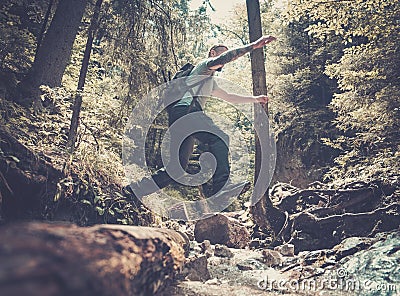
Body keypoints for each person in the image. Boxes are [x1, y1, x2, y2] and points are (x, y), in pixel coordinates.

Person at [126, 35, 276, 202]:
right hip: (187, 111)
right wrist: (253, 46)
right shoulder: (204, 66)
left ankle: (134, 190)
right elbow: (224, 58)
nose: (224, 61)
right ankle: (221, 186)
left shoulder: (209, 80)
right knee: (220, 138)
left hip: (180, 116)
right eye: (221, 55)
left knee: (176, 169)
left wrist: (256, 99)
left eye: (225, 57)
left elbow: (228, 96)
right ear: (213, 53)